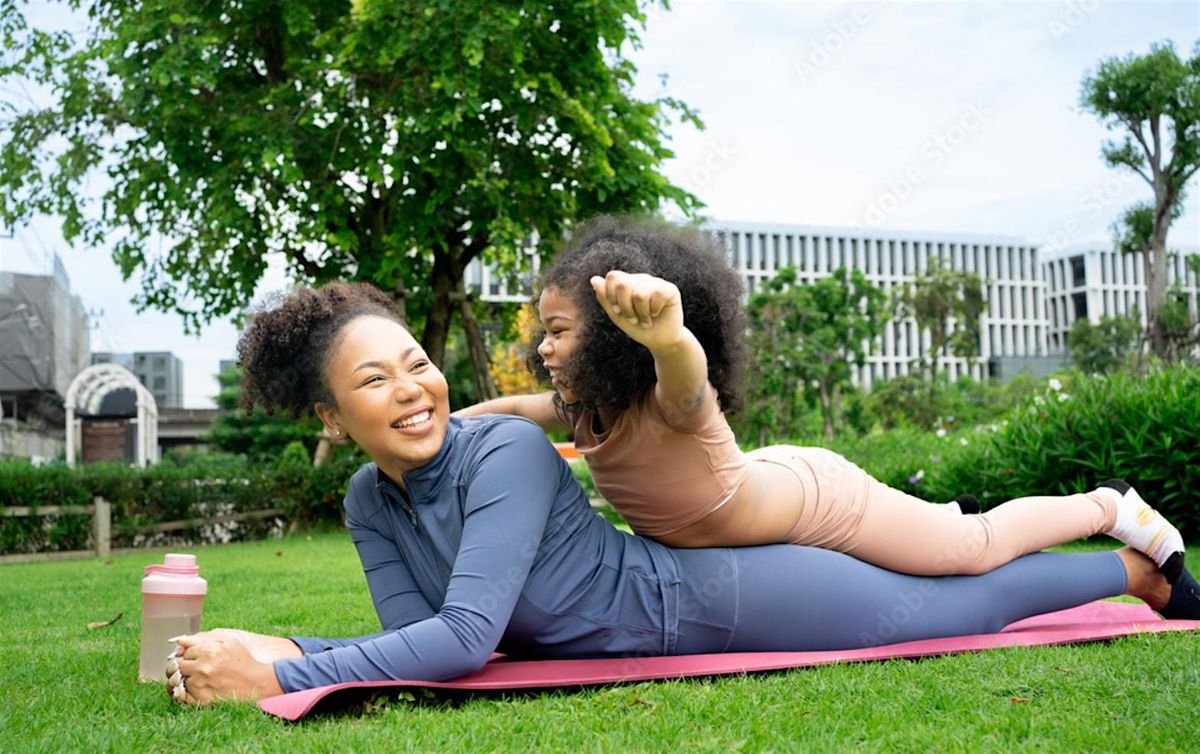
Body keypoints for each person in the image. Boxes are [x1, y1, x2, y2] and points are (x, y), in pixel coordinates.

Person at [165, 281, 1199, 707]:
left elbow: (466, 639)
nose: (415, 388)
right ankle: (1123, 560)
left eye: (417, 361)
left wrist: (281, 663)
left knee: (956, 598)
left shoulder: (505, 460)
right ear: (333, 421)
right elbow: (423, 638)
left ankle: (1126, 565)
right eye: (374, 381)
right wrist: (292, 653)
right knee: (959, 578)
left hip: (719, 590)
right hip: (710, 559)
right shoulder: (364, 498)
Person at [456, 217, 1186, 582]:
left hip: (818, 499)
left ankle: (1109, 506)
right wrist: (441, 426)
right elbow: (517, 411)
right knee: (948, 531)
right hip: (762, 481)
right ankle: (942, 514)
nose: (542, 348)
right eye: (542, 331)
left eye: (557, 332)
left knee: (973, 549)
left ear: (615, 342)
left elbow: (684, 367)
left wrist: (667, 332)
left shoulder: (668, 401)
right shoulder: (589, 409)